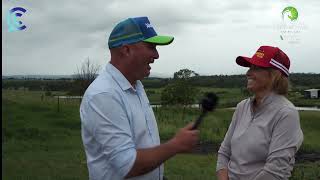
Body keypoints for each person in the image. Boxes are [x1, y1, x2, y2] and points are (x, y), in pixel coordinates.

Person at [80, 16, 199, 180]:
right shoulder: (104, 95)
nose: (156, 55)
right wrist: (176, 145)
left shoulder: (136, 85)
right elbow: (126, 165)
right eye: (151, 46)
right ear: (126, 50)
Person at [216, 46, 303, 180]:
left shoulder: (285, 113)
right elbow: (224, 151)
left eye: (256, 68)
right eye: (250, 67)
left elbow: (275, 172)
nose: (248, 73)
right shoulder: (242, 107)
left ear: (275, 75)